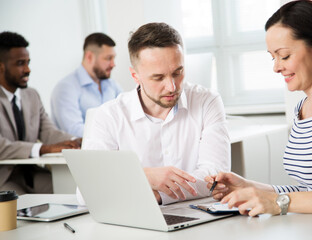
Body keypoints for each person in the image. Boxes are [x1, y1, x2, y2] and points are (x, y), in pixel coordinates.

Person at [206, 0, 312, 215]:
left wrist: (280, 202)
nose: (276, 67)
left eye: (284, 56)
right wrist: (251, 188)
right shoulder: (303, 109)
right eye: (273, 57)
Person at [81, 22, 230, 205]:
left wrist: (157, 194)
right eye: (158, 78)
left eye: (178, 73)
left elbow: (215, 177)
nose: (172, 87)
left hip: (197, 218)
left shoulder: (207, 101)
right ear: (135, 76)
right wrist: (143, 176)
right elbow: (85, 190)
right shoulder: (109, 116)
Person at [0, 31, 81, 194]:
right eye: (20, 63)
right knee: (16, 205)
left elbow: (49, 133)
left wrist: (75, 141)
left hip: (33, 174)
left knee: (71, 191)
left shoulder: (32, 96)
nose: (28, 69)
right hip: (4, 178)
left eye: (28, 62)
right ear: (1, 67)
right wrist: (44, 149)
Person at [51, 32, 121, 137]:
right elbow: (74, 130)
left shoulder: (111, 84)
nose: (113, 64)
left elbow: (127, 114)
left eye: (113, 58)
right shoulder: (66, 88)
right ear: (89, 57)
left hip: (112, 148)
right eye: (108, 58)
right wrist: (113, 136)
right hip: (82, 151)